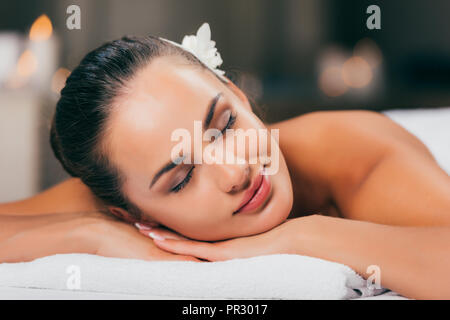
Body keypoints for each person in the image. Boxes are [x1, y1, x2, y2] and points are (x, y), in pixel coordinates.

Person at [0, 26, 449, 299]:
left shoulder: (355, 153)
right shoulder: (116, 194)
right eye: (182, 178)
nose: (236, 172)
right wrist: (91, 233)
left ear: (238, 93)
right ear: (132, 214)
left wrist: (308, 235)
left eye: (223, 125)